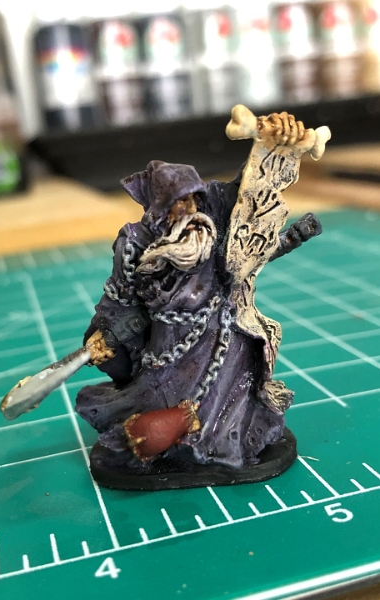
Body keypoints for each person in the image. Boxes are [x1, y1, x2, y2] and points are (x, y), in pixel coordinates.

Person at [75, 112, 322, 488]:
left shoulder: (212, 215)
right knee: (160, 410)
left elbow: (247, 195)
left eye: (192, 199)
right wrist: (105, 334)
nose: (188, 211)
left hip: (228, 339)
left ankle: (218, 442)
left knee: (230, 410)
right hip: (168, 351)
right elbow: (118, 296)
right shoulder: (136, 243)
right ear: (158, 208)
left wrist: (274, 148)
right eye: (177, 203)